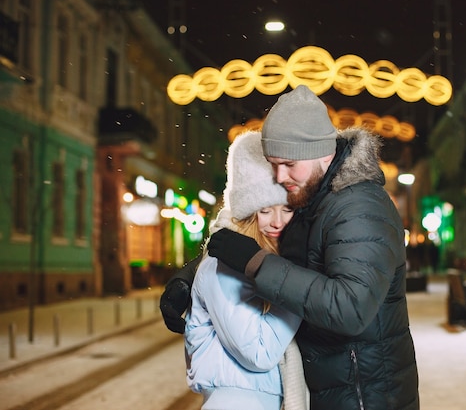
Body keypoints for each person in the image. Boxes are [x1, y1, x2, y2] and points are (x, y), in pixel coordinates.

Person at [162, 85, 419, 409]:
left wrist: (254, 263)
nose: (280, 176)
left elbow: (351, 307)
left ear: (323, 154)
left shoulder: (358, 205)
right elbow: (258, 231)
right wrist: (191, 275)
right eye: (273, 164)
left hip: (363, 395)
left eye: (288, 164)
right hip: (333, 387)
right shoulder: (314, 196)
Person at [184, 131, 308, 410]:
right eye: (265, 210)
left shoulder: (273, 260)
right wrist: (300, 289)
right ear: (248, 212)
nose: (277, 222)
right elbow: (258, 352)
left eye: (287, 209)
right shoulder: (223, 265)